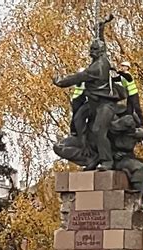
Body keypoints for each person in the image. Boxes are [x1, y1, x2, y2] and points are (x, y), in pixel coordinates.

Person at [53, 16, 122, 171]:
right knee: (78, 118)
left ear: (97, 53)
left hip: (105, 105)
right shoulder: (102, 57)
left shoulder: (96, 68)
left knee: (98, 130)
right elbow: (102, 42)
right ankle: (90, 156)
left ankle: (107, 161)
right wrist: (101, 28)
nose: (90, 52)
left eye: (93, 50)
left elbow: (77, 78)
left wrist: (60, 83)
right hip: (92, 104)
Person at [113, 61, 143, 149]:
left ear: (127, 68)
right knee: (129, 112)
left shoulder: (128, 75)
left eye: (123, 66)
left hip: (134, 95)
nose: (122, 68)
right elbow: (115, 79)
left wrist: (118, 71)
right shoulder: (122, 77)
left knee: (137, 109)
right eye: (121, 66)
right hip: (129, 96)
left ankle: (142, 126)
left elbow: (126, 77)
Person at [70, 68, 86, 136]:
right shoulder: (78, 79)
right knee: (76, 113)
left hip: (85, 97)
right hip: (77, 98)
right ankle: (74, 130)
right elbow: (78, 84)